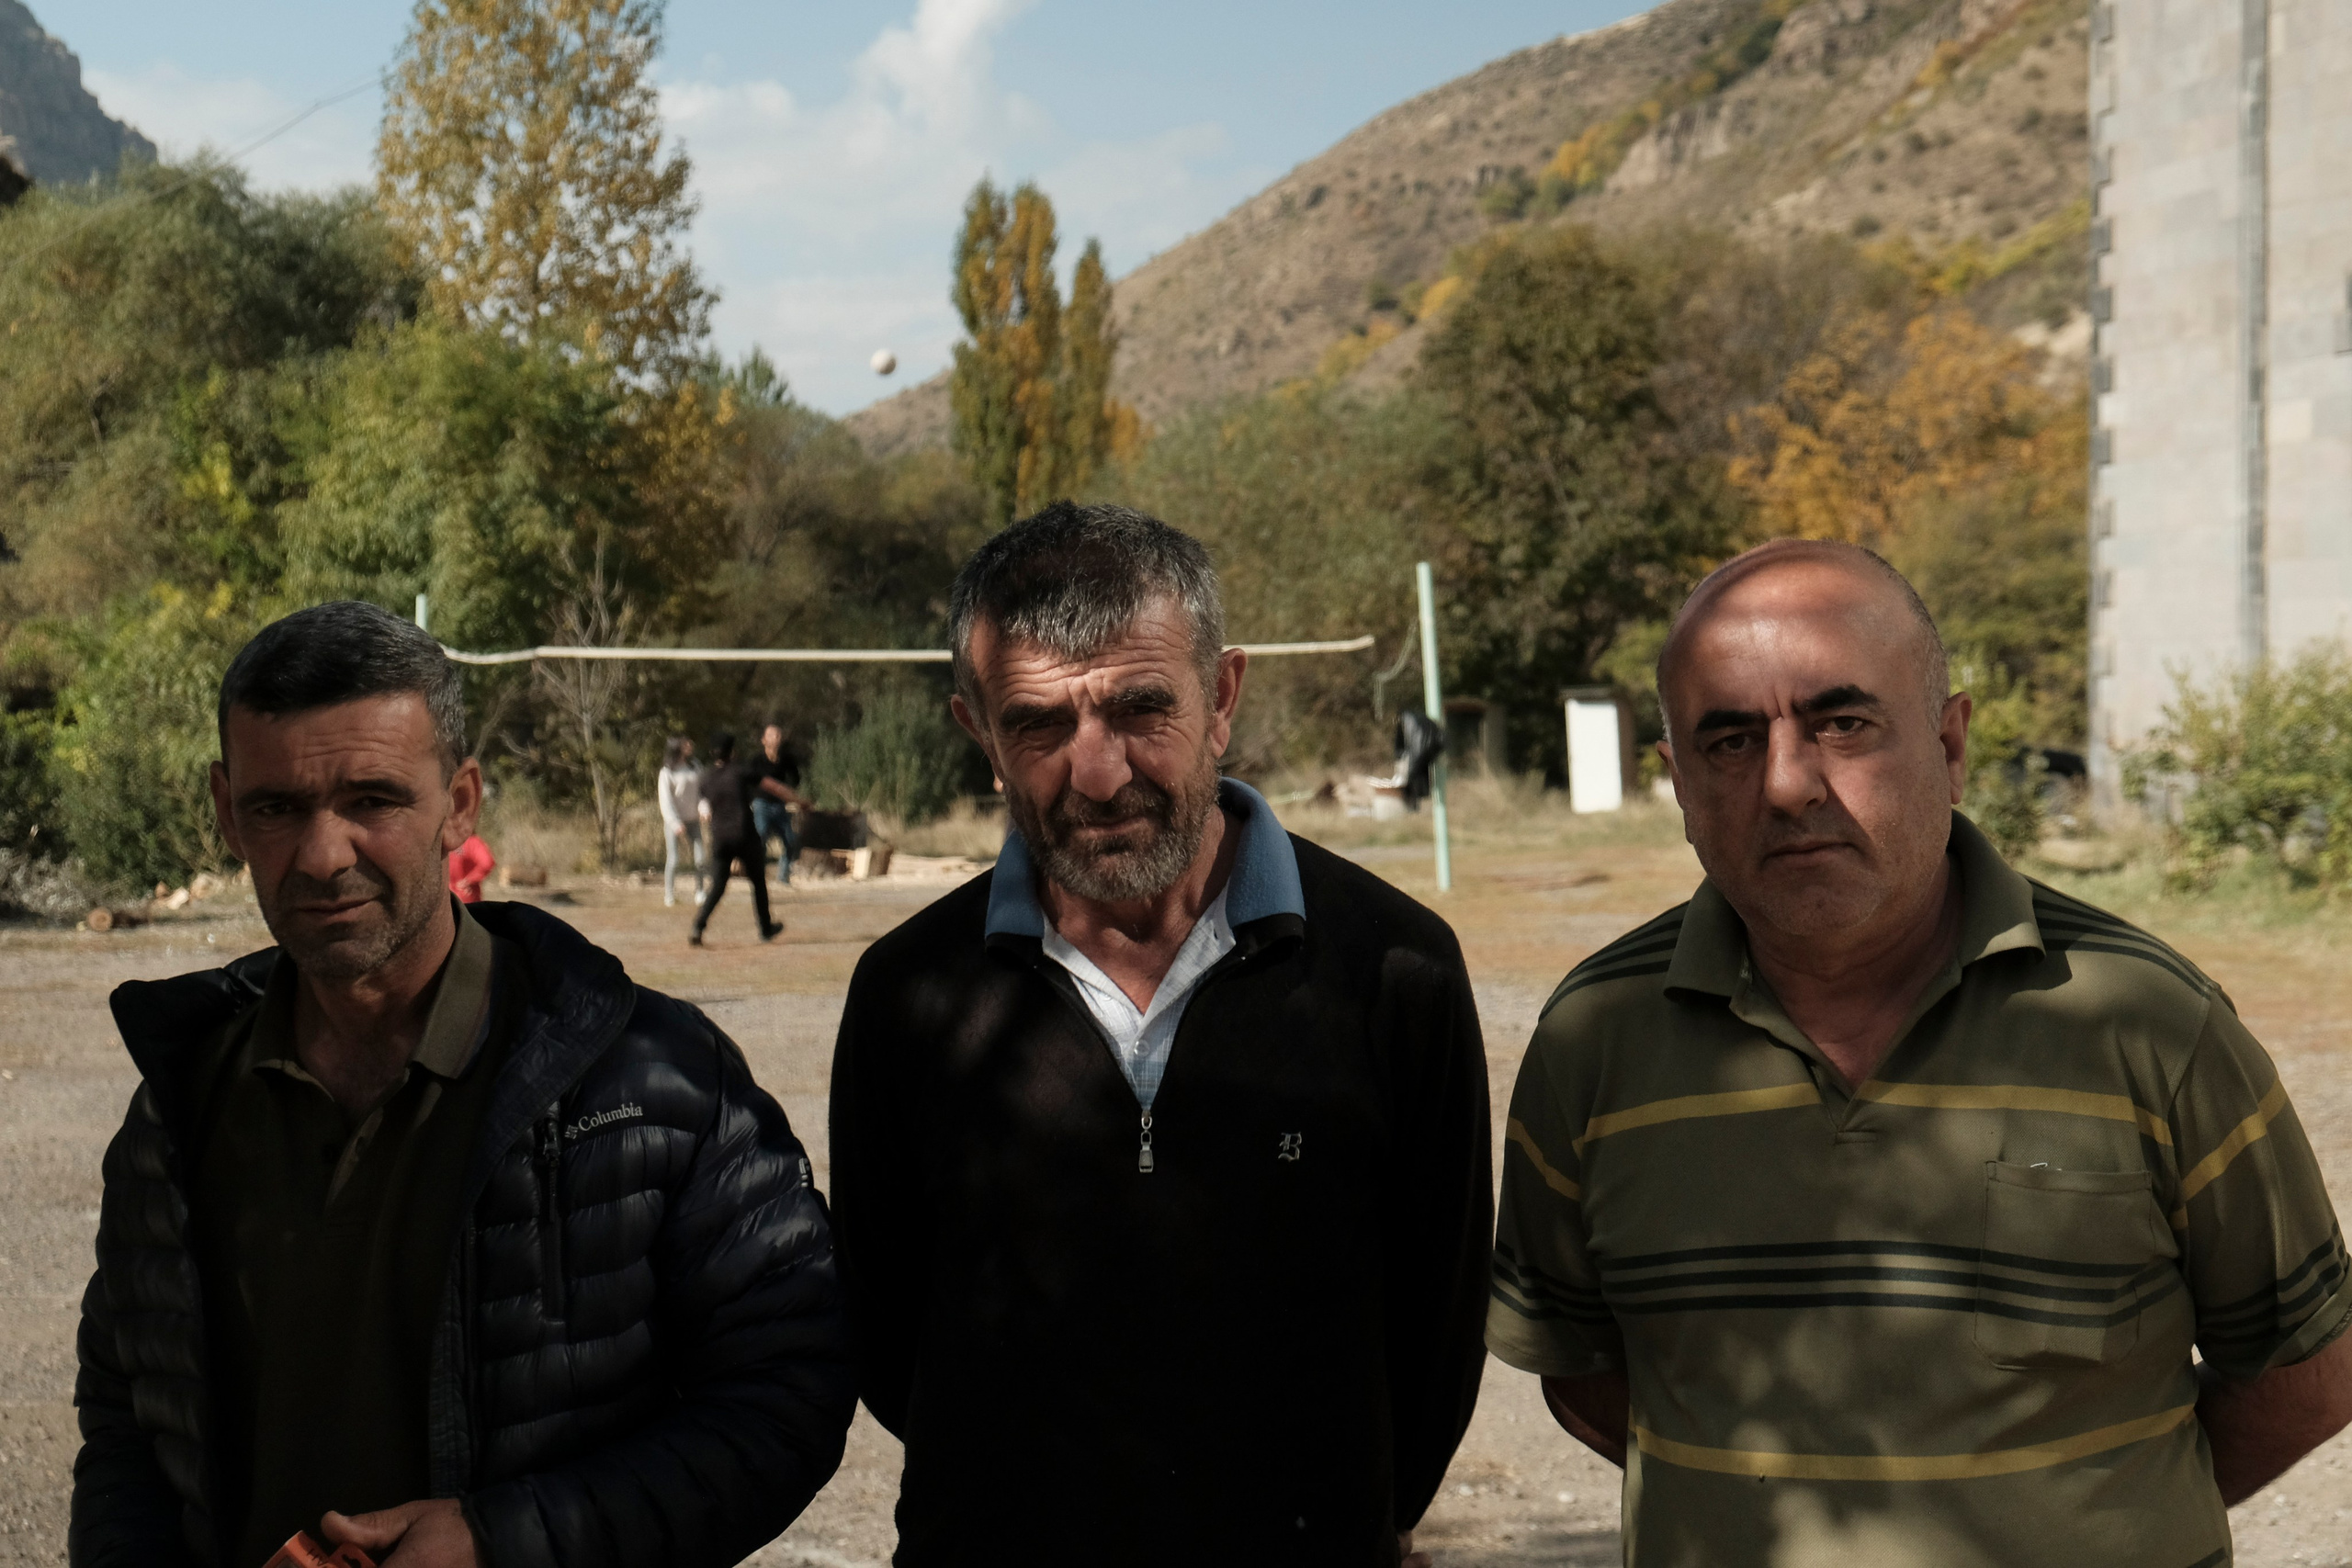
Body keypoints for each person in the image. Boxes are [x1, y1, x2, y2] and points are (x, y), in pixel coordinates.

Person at [1487, 539, 2352, 1568]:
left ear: (1949, 745)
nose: (1786, 784)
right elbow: (1583, 1372)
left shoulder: (2148, 1021)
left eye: (1842, 724)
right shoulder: (1593, 1039)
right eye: (1729, 741)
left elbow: (2308, 1373)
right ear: (1678, 783)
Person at [71, 602, 854, 1568]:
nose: (323, 855)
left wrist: (502, 1541)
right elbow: (127, 1415)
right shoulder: (181, 1100)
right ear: (227, 811)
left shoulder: (651, 1080)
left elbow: (787, 1393)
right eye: (277, 808)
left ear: (461, 803)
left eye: (373, 800)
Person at [829, 502, 1492, 1567]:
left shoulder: (1393, 971)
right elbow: (887, 1328)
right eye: (1038, 725)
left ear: (1221, 698)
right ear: (979, 735)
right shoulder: (910, 995)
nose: (1098, 773)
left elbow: (1438, 1333)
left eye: (1141, 709)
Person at [693, 731, 781, 947]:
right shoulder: (740, 771)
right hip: (744, 834)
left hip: (720, 837)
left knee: (718, 885)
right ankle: (765, 929)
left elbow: (703, 807)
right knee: (758, 882)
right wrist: (799, 800)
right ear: (732, 752)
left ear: (713, 752)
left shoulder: (706, 778)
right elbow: (772, 786)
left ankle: (698, 926)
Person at [746, 723, 808, 885]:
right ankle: (757, 874)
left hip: (780, 806)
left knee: (790, 841)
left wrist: (789, 793)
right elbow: (748, 781)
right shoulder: (756, 760)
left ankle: (783, 876)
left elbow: (796, 779)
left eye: (779, 735)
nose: (776, 738)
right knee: (761, 837)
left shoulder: (786, 759)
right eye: (772, 735)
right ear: (764, 740)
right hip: (761, 804)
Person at [658, 734, 707, 908]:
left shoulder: (695, 766)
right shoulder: (667, 772)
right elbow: (665, 801)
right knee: (674, 859)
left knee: (700, 858)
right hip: (674, 822)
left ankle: (700, 891)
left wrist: (704, 809)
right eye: (686, 744)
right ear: (678, 747)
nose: (690, 746)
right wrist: (675, 823)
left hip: (693, 820)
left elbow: (701, 792)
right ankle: (669, 894)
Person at [444, 833, 493, 905]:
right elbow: (487, 862)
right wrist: (469, 880)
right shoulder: (471, 842)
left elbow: (487, 862)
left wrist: (469, 880)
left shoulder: (437, 841)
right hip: (463, 898)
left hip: (446, 898)